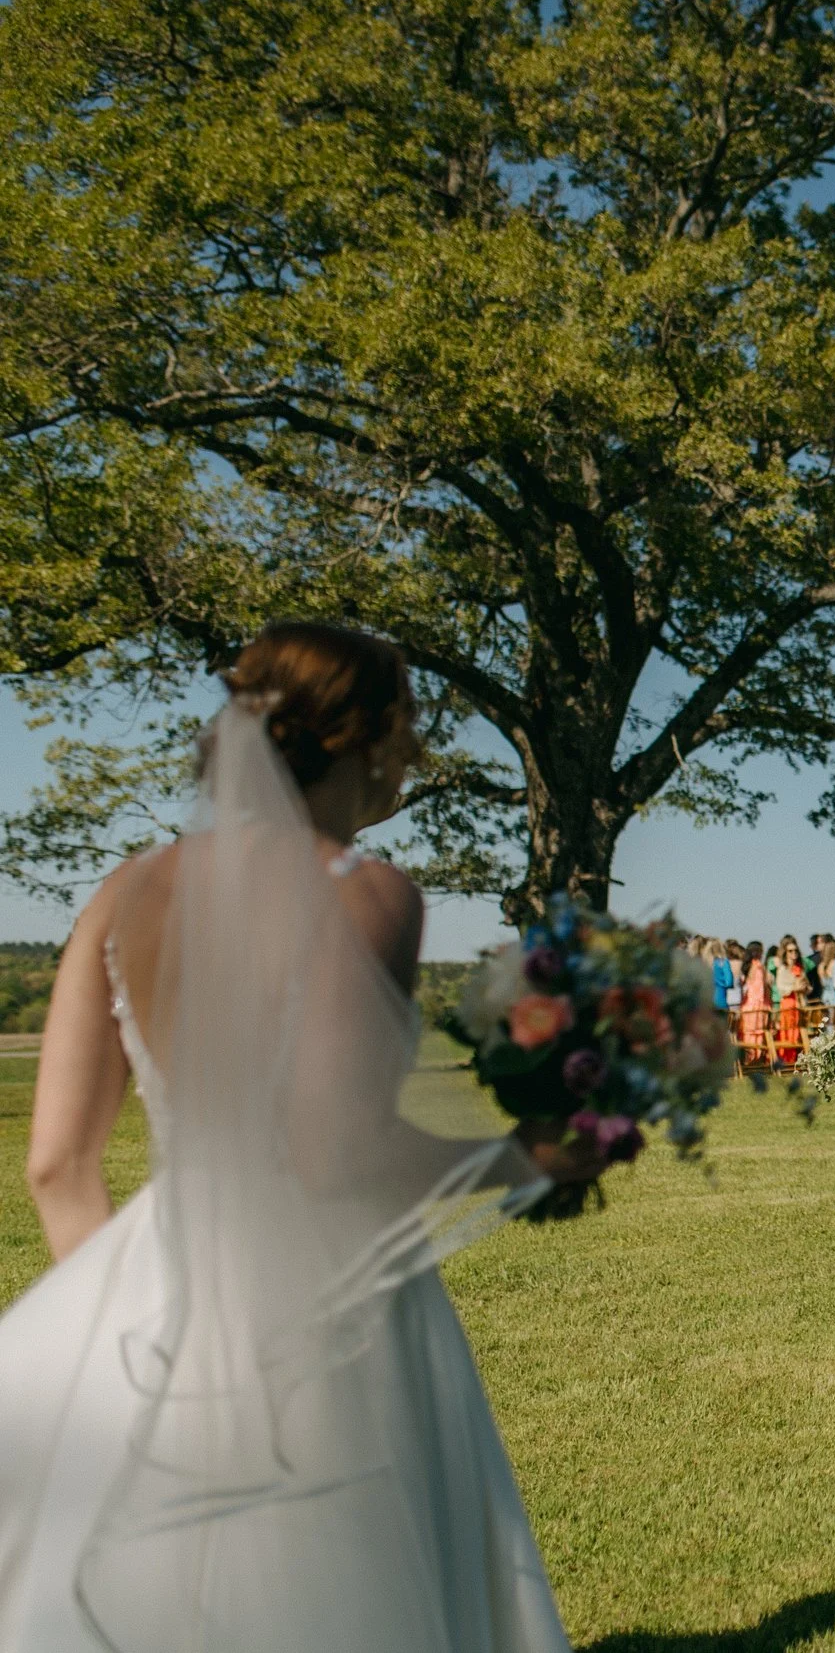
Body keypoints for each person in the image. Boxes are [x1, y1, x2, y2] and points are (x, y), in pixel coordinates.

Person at [0, 623, 589, 1650]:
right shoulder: (365, 892)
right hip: (335, 1303)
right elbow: (335, 1152)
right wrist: (523, 1157)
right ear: (358, 735)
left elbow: (55, 1164)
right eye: (405, 724)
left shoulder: (122, 892)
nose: (412, 751)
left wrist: (144, 1346)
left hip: (157, 1279)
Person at [773, 935, 808, 1064]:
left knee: (797, 1032)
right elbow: (781, 987)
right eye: (790, 951)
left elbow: (807, 986)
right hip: (788, 1002)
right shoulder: (783, 969)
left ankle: (795, 1058)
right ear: (785, 953)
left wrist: (804, 987)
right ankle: (786, 1058)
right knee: (787, 1031)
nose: (794, 953)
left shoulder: (800, 968)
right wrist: (794, 987)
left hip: (799, 1003)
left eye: (795, 950)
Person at [739, 939, 772, 1056]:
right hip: (758, 1004)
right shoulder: (758, 966)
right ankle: (755, 1057)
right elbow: (760, 989)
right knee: (757, 1034)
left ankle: (748, 1057)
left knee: (747, 1033)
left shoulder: (745, 966)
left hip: (747, 1005)